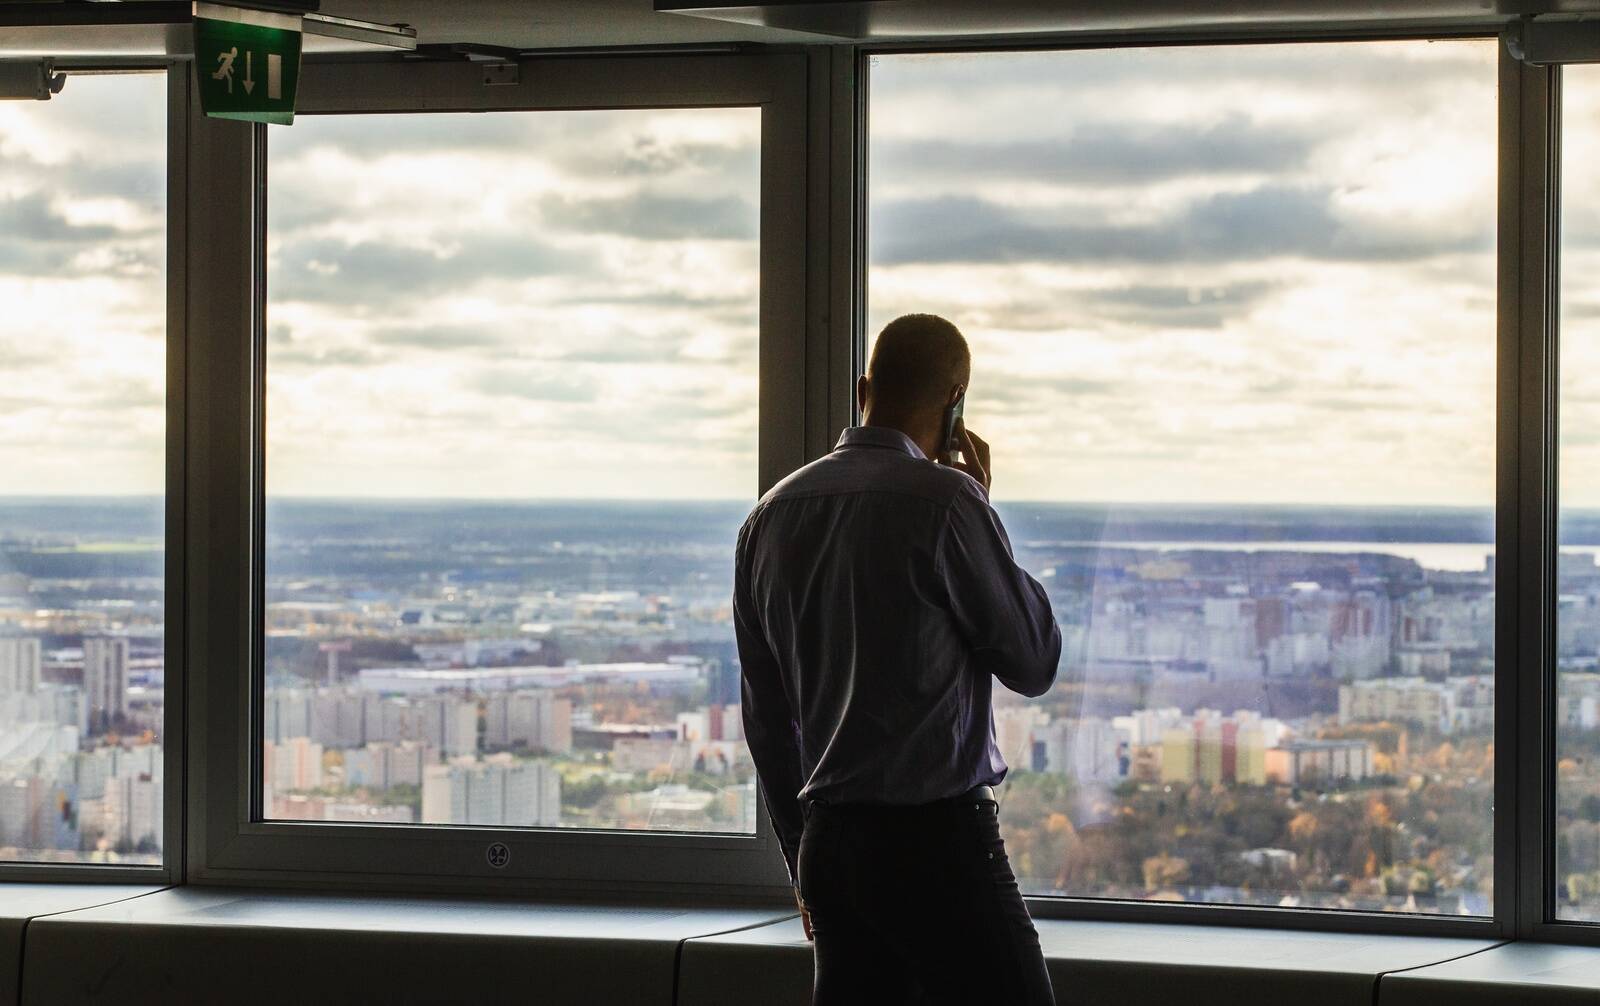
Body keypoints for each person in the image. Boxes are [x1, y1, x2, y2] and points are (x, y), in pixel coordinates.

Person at [733, 313, 1062, 1005]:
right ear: (956, 403)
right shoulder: (948, 505)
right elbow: (1033, 661)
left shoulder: (769, 517)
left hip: (831, 845)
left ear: (863, 391)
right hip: (937, 843)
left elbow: (768, 724)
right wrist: (983, 508)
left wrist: (803, 858)